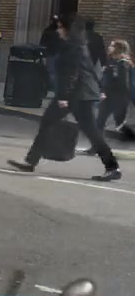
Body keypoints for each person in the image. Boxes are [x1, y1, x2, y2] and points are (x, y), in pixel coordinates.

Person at [9, 14, 120, 182]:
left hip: (76, 95)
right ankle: (112, 167)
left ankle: (31, 161)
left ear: (69, 29)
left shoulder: (72, 47)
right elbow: (87, 69)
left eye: (61, 27)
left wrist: (63, 96)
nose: (58, 30)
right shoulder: (78, 44)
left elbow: (71, 73)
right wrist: (99, 89)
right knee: (86, 130)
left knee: (54, 123)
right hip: (81, 93)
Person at [84, 40, 132, 154]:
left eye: (112, 45)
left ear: (119, 48)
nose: (109, 47)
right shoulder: (112, 61)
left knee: (119, 124)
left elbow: (123, 84)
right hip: (108, 97)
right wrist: (103, 90)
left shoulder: (122, 64)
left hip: (117, 98)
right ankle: (96, 147)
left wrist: (108, 92)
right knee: (99, 122)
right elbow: (106, 80)